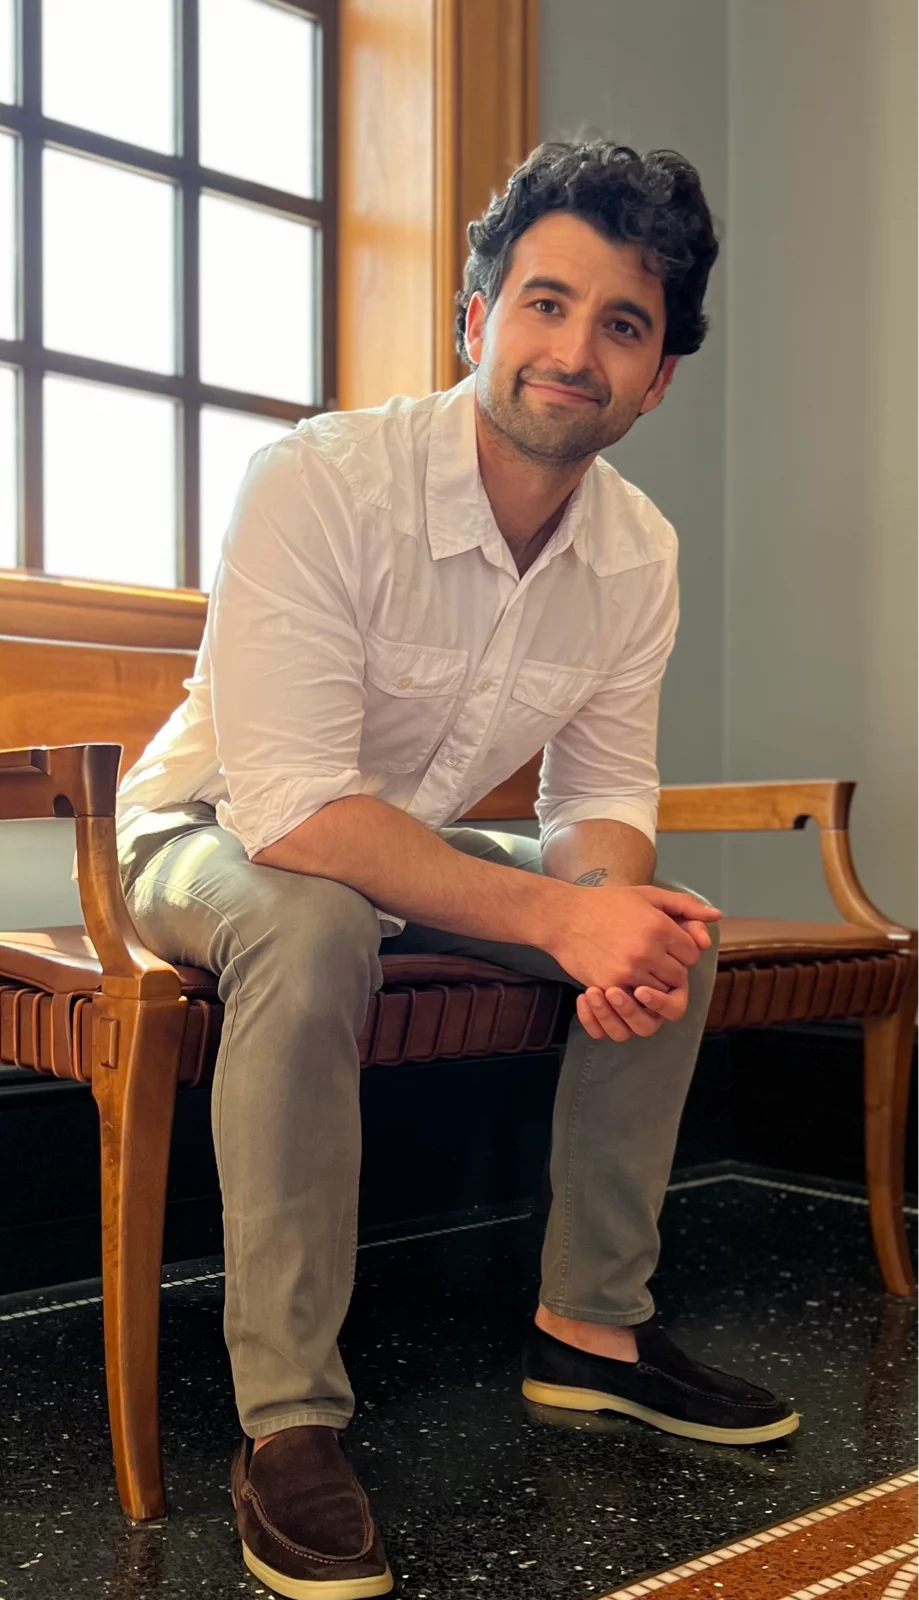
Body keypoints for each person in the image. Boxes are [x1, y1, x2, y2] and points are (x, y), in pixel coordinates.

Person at [115, 140, 797, 1600]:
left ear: (657, 376)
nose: (574, 349)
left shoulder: (639, 551)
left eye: (622, 324)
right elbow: (293, 812)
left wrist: (609, 914)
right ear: (473, 319)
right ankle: (287, 1417)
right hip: (209, 830)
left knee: (668, 927)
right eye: (544, 304)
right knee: (309, 928)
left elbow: (600, 792)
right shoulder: (314, 481)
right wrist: (558, 916)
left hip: (390, 846)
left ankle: (590, 1330)